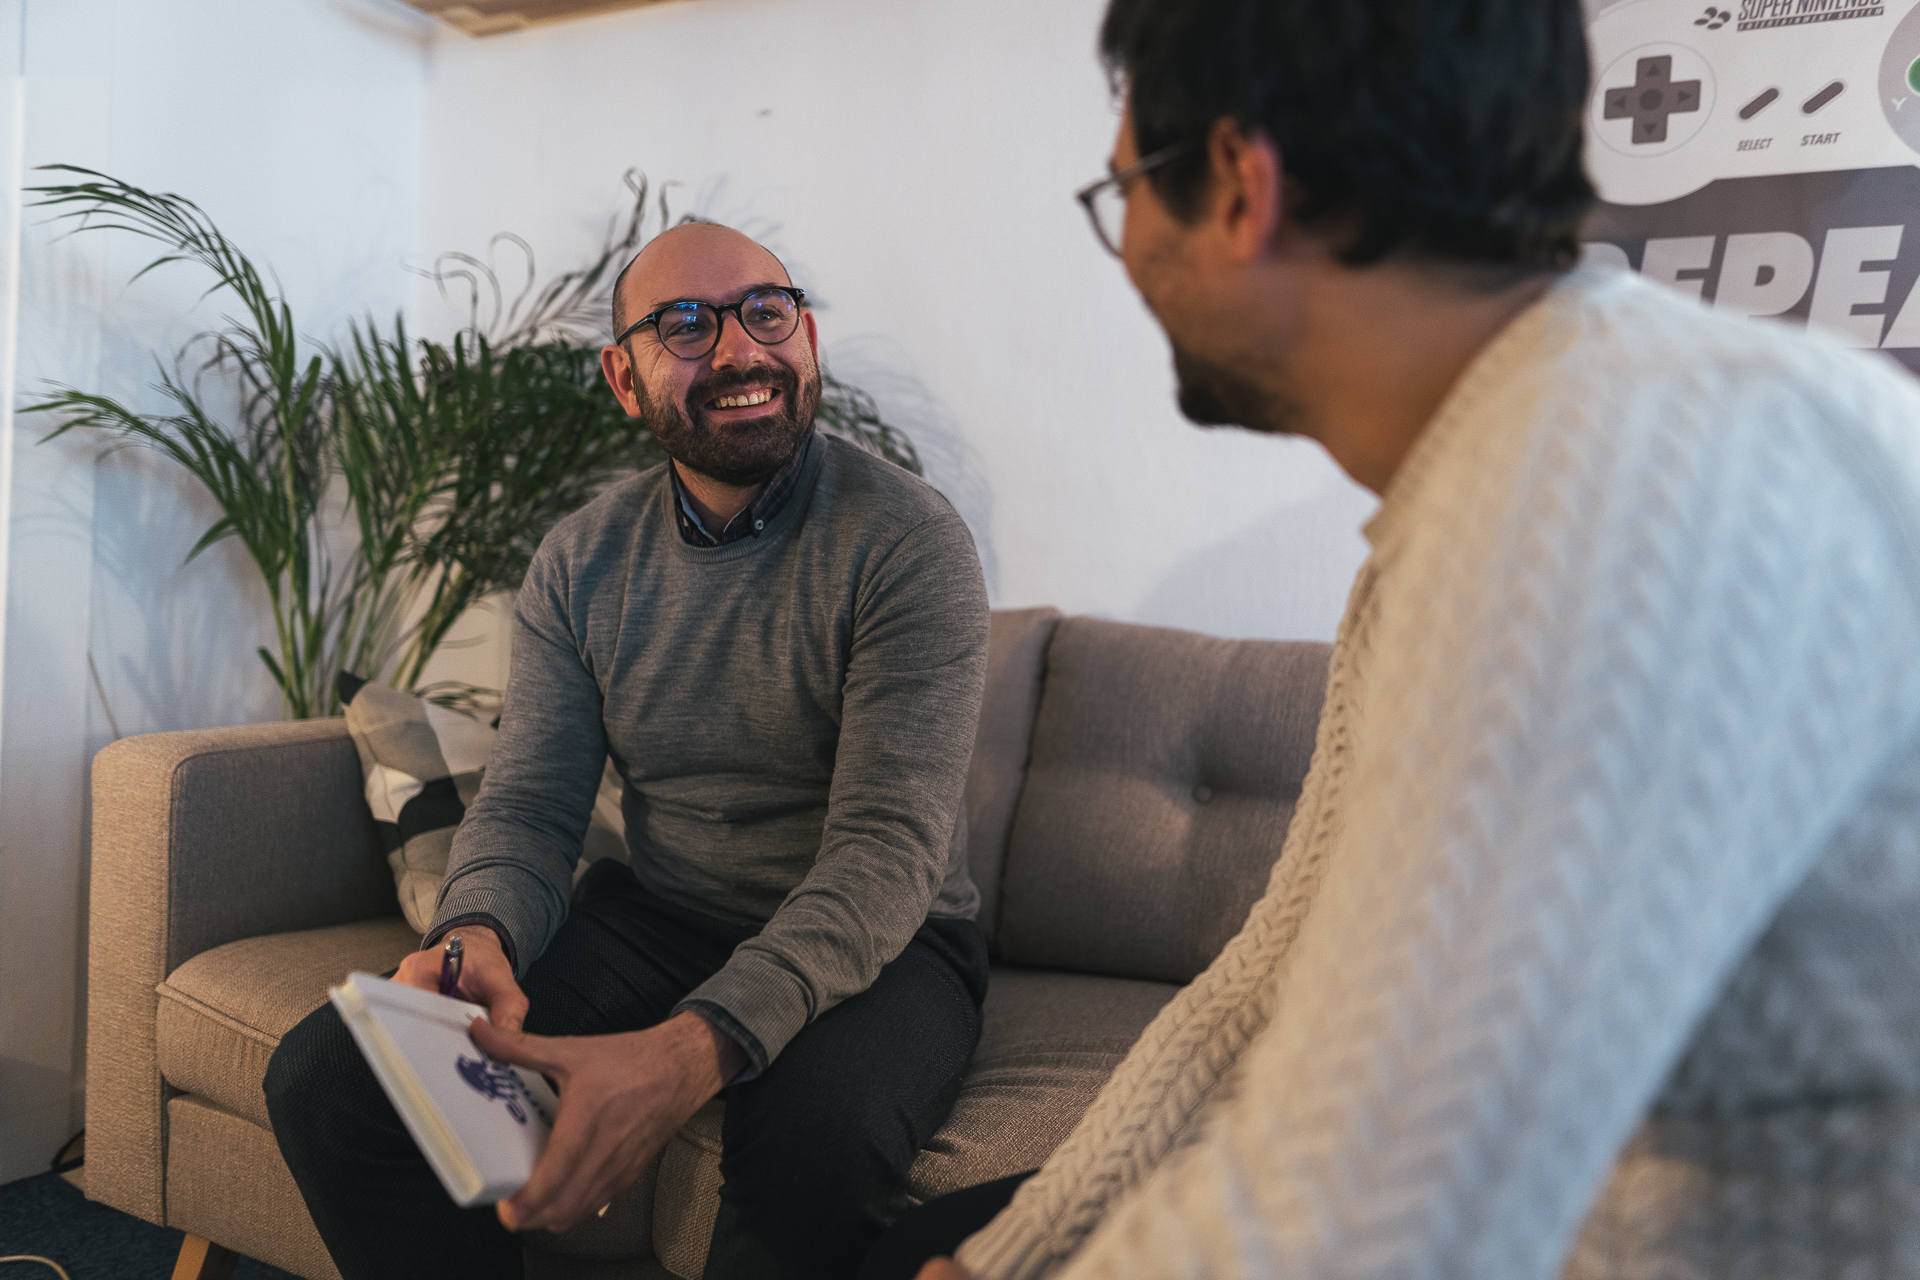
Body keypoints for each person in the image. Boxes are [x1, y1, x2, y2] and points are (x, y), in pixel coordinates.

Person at [882, 0, 1920, 1277]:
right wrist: (1013, 1258)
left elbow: (1372, 1217)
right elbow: (1266, 984)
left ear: (1240, 185)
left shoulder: (1613, 484)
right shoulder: (1483, 479)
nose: (1127, 247)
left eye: (1126, 189)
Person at [265, 221, 993, 1280]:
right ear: (623, 375)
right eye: (687, 324)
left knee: (808, 1149)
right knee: (337, 1072)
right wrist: (475, 939)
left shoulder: (908, 541)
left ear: (809, 337)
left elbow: (887, 850)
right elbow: (530, 803)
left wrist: (695, 1043)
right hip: (664, 910)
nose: (741, 349)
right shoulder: (580, 559)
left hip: (890, 941)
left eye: (767, 310)